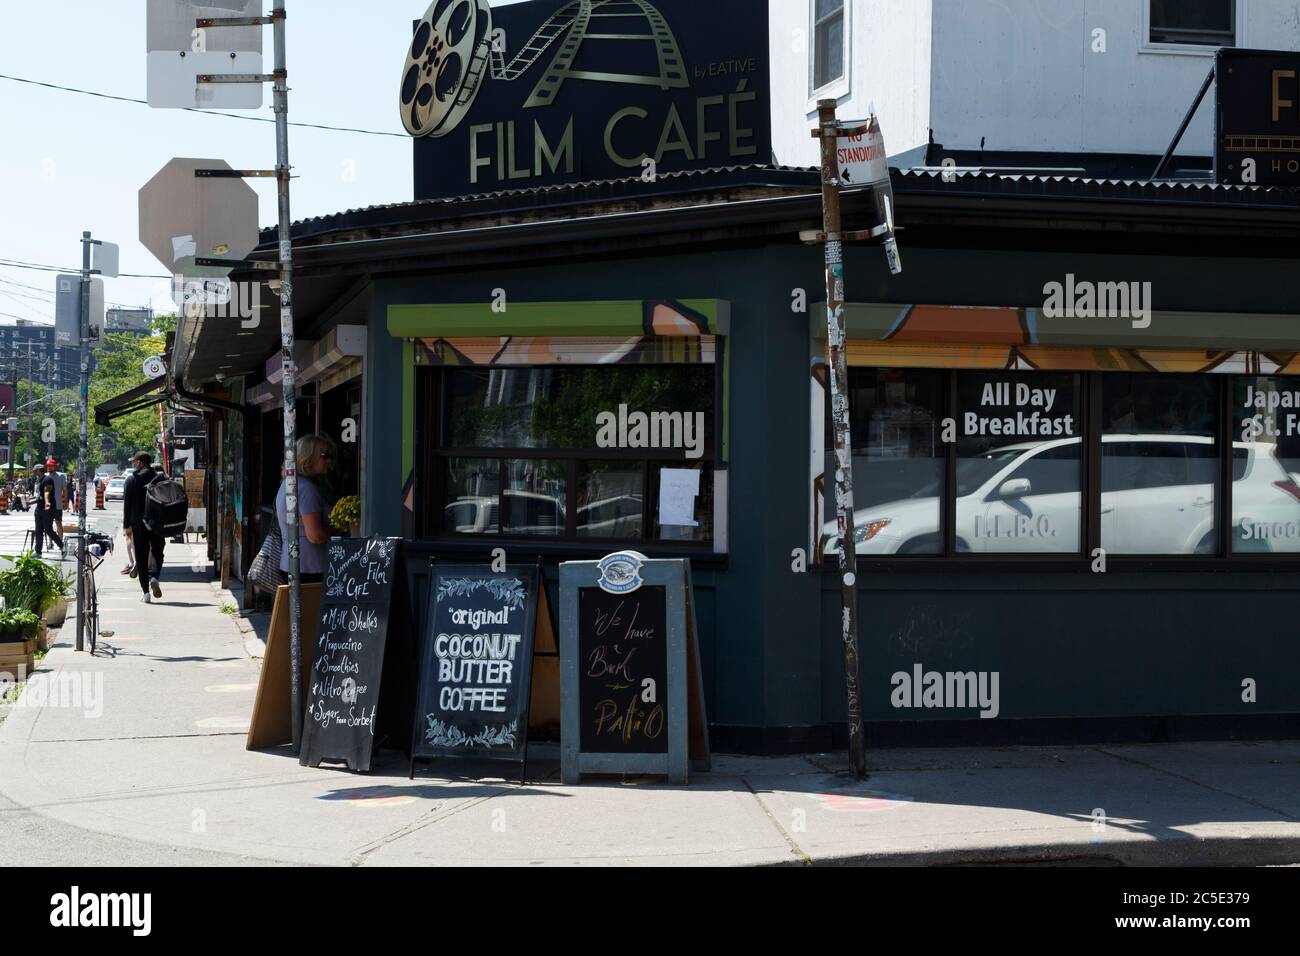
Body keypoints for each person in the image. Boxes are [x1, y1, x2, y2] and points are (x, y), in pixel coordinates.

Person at [276, 435, 342, 585]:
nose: (328, 461)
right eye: (324, 456)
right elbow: (315, 536)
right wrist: (339, 528)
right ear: (308, 457)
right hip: (310, 566)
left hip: (291, 562)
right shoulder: (306, 489)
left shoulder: (289, 483)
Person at [123, 451, 164, 603]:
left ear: (139, 463)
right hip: (157, 523)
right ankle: (154, 576)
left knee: (141, 557)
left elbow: (127, 505)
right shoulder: (159, 478)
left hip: (138, 524)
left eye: (134, 461)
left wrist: (126, 526)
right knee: (158, 552)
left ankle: (146, 593)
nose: (133, 464)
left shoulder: (131, 480)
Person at [31, 464, 61, 559]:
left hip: (48, 509)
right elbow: (40, 496)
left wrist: (47, 503)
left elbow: (46, 492)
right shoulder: (39, 481)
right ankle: (38, 552)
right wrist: (29, 502)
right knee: (38, 530)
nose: (34, 473)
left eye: (35, 471)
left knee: (48, 530)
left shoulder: (47, 480)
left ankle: (62, 546)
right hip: (39, 509)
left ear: (40, 470)